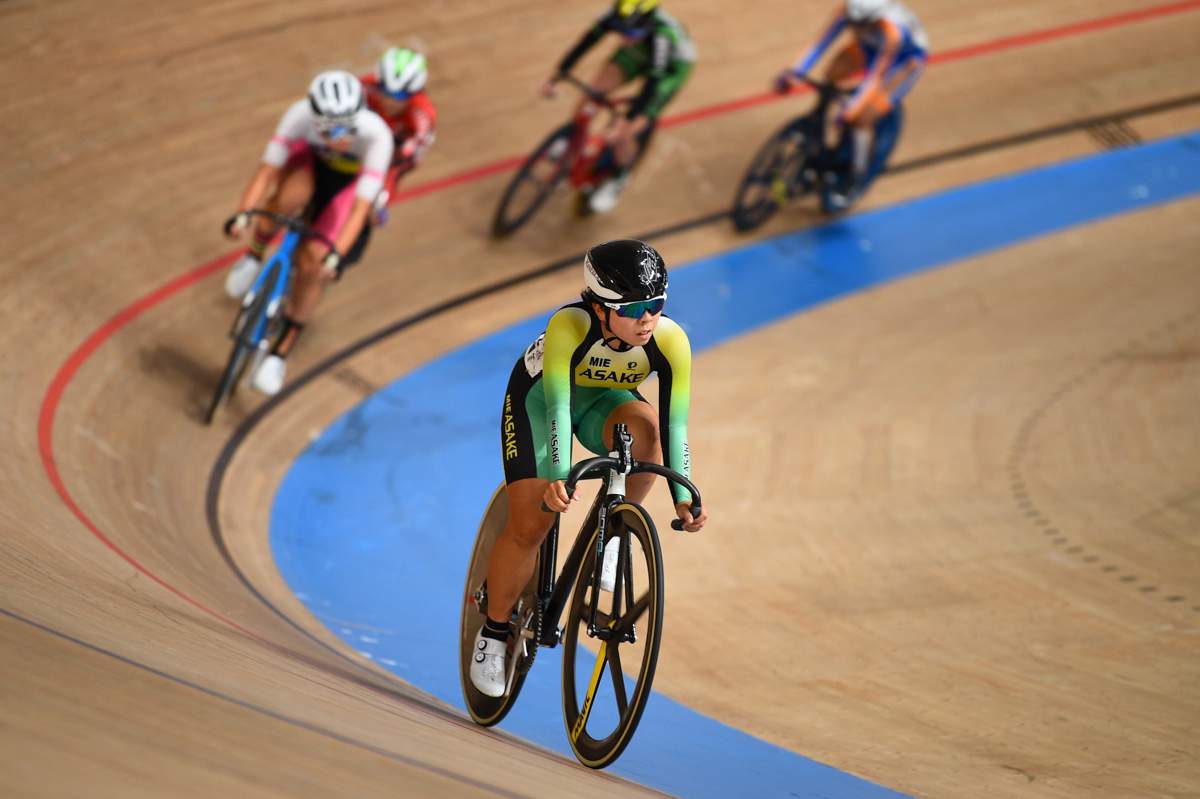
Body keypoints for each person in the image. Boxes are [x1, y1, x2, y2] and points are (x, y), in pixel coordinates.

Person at [470, 239, 708, 698]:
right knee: (531, 524)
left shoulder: (669, 340)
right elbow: (558, 407)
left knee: (649, 436)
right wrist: (560, 475)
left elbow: (676, 426)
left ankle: (614, 527)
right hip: (540, 404)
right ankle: (494, 633)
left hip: (605, 402)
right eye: (635, 307)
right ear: (600, 309)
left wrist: (685, 497)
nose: (647, 319)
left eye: (656, 305)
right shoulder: (569, 326)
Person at [223, 70, 394, 395]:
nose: (342, 137)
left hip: (348, 185)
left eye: (349, 128)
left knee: (314, 262)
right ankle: (253, 257)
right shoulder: (299, 115)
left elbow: (359, 209)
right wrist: (243, 216)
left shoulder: (377, 136)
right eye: (331, 129)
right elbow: (266, 172)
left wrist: (335, 255)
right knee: (286, 200)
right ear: (315, 119)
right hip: (311, 165)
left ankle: (279, 354)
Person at [540, 0, 697, 214]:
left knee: (627, 131)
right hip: (639, 50)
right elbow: (586, 43)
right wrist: (557, 75)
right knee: (594, 92)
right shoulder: (613, 14)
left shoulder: (662, 38)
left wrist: (626, 120)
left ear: (648, 24)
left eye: (631, 33)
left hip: (670, 69)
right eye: (621, 31)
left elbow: (650, 88)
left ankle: (617, 180)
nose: (624, 38)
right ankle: (571, 139)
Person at [775, 0, 928, 208]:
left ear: (876, 18)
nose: (855, 26)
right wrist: (794, 72)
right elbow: (819, 43)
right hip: (870, 45)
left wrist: (849, 111)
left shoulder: (893, 32)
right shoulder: (846, 13)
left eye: (862, 22)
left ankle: (856, 176)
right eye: (853, 20)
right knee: (832, 74)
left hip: (903, 61)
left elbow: (875, 78)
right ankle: (819, 123)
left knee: (860, 119)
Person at [362, 47, 438, 226]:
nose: (390, 100)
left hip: (395, 152)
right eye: (385, 90)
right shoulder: (366, 86)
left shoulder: (422, 115)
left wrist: (380, 197)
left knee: (374, 207)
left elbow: (409, 160)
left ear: (415, 93)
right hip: (362, 139)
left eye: (400, 95)